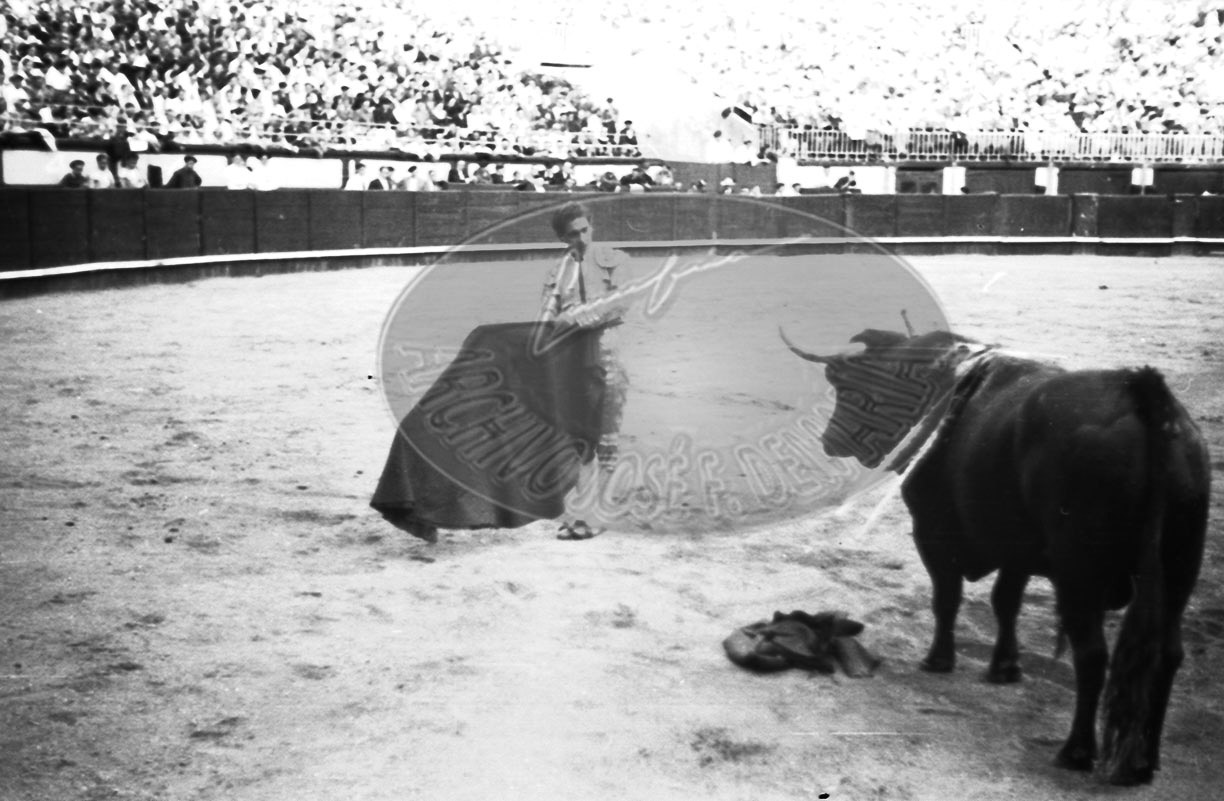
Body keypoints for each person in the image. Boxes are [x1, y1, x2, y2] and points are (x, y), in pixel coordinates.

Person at [539, 202, 634, 539]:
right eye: (572, 234)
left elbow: (620, 301)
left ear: (591, 226)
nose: (581, 238)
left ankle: (600, 513)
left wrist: (575, 319)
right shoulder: (557, 271)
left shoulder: (615, 258)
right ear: (562, 238)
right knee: (580, 439)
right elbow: (547, 315)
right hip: (572, 358)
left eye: (584, 229)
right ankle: (581, 512)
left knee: (606, 435)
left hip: (607, 349)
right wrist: (554, 324)